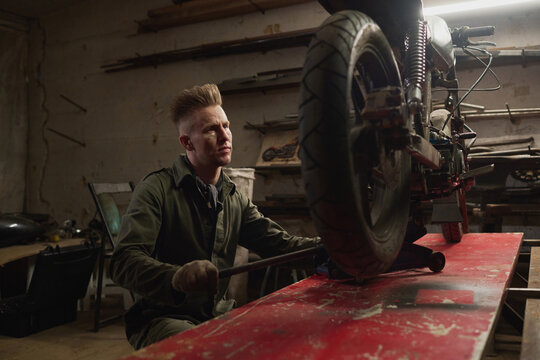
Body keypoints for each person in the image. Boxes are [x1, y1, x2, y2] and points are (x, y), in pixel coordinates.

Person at [110, 83, 320, 349]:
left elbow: (281, 246)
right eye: (211, 129)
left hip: (218, 313)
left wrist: (332, 246)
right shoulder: (156, 190)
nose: (225, 136)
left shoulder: (233, 197)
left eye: (226, 125)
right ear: (187, 142)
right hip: (164, 318)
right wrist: (175, 277)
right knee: (203, 349)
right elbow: (123, 262)